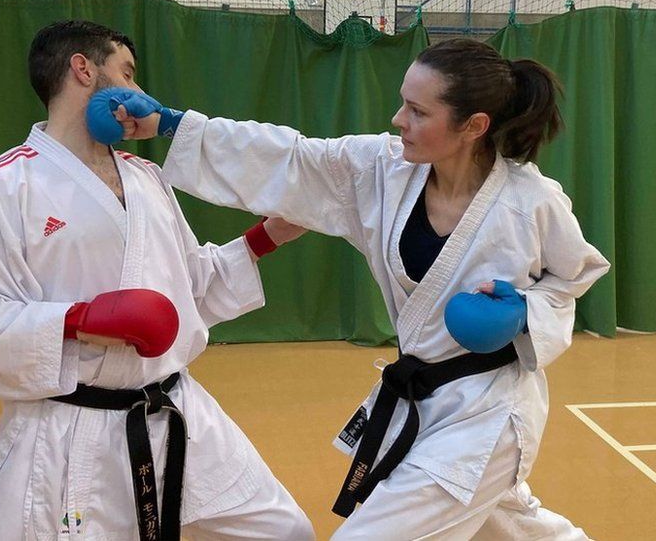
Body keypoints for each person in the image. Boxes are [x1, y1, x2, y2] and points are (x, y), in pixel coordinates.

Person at [101, 37, 610, 539]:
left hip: (488, 414)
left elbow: (575, 273)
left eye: (416, 111)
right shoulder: (383, 171)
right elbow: (291, 157)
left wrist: (525, 311)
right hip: (424, 403)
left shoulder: (530, 203)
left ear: (473, 126)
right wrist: (172, 124)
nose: (397, 120)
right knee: (508, 527)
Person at [0, 20, 314, 541]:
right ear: (83, 70)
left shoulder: (147, 177)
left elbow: (191, 283)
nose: (139, 94)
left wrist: (266, 237)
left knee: (281, 531)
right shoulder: (1, 184)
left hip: (175, 408)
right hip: (68, 426)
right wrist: (78, 321)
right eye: (127, 75)